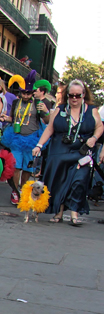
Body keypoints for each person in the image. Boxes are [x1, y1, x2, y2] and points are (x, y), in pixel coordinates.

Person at [32, 79, 103, 226]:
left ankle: (74, 213)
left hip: (81, 151)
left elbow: (100, 126)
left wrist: (94, 138)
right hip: (60, 150)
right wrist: (39, 145)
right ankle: (58, 212)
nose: (75, 99)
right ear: (67, 96)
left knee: (79, 180)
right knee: (59, 180)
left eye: (78, 95)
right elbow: (50, 128)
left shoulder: (91, 110)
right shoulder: (61, 109)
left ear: (84, 95)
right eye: (72, 95)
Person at [0, 70, 44, 191]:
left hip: (31, 139)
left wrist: (45, 110)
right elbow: (13, 119)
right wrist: (4, 118)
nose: (25, 96)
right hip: (16, 138)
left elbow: (46, 120)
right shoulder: (15, 102)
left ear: (33, 93)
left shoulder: (38, 103)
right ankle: (15, 191)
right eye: (23, 93)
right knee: (16, 166)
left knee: (27, 168)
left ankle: (23, 190)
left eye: (28, 93)